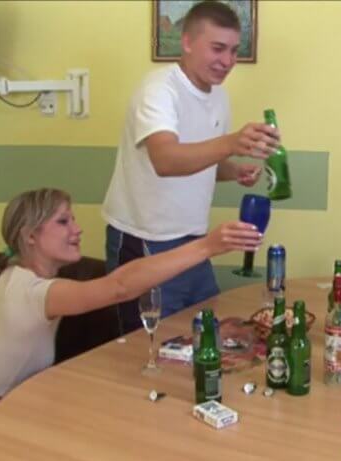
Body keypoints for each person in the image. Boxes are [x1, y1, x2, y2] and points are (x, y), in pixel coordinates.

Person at [0, 188, 262, 461]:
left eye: (73, 219)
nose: (76, 229)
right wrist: (207, 246)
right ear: (30, 236)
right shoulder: (35, 292)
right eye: (63, 221)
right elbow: (120, 287)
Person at [102, 1, 279, 330]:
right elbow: (166, 160)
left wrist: (233, 170)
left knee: (204, 335)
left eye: (233, 50)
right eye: (217, 48)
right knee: (149, 342)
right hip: (146, 239)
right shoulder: (159, 90)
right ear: (187, 42)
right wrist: (231, 142)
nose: (227, 61)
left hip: (195, 241)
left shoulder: (218, 96)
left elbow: (201, 158)